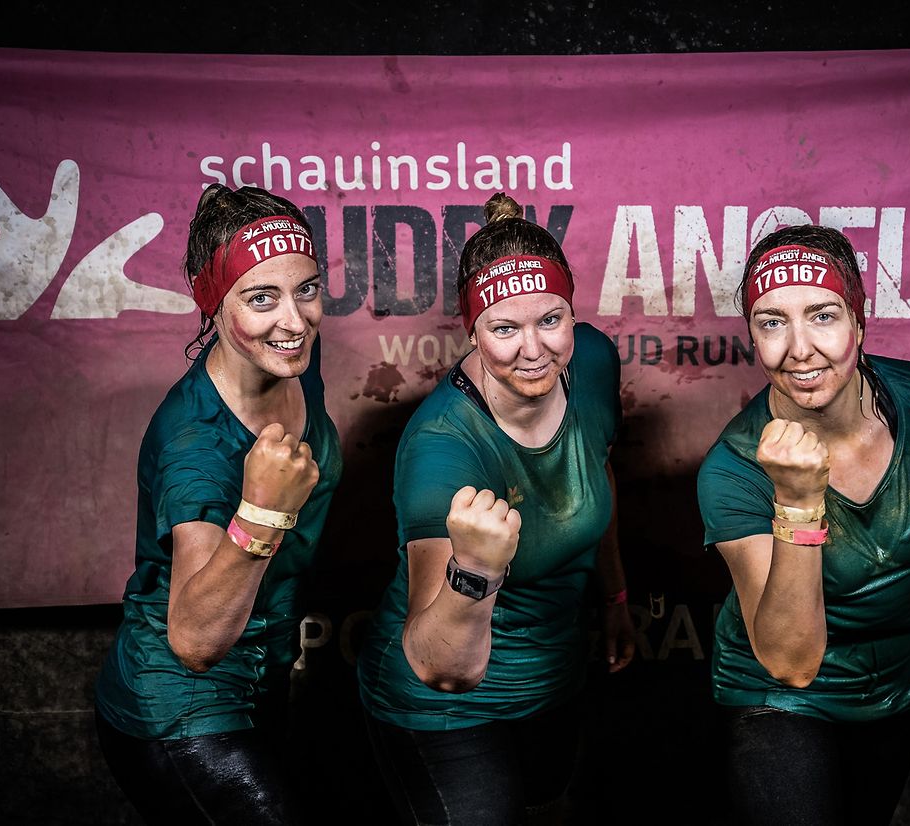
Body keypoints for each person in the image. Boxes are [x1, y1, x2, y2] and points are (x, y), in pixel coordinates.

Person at [358, 192, 636, 825]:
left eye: (550, 320)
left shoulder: (592, 360)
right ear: (472, 330)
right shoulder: (441, 449)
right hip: (445, 708)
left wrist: (616, 595)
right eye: (504, 329)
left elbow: (596, 469)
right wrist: (476, 570)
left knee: (550, 808)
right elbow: (437, 665)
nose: (533, 349)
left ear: (573, 314)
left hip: (555, 678)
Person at [696, 225, 910, 826]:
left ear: (859, 321)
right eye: (772, 322)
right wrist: (798, 502)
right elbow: (790, 661)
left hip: (899, 678)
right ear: (752, 336)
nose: (799, 349)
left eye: (823, 316)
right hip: (781, 697)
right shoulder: (732, 469)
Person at [94, 184, 342, 825]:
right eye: (261, 298)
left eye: (307, 289)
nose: (295, 320)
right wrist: (262, 511)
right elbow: (195, 641)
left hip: (264, 684)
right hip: (182, 712)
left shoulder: (290, 358)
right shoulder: (196, 445)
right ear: (215, 303)